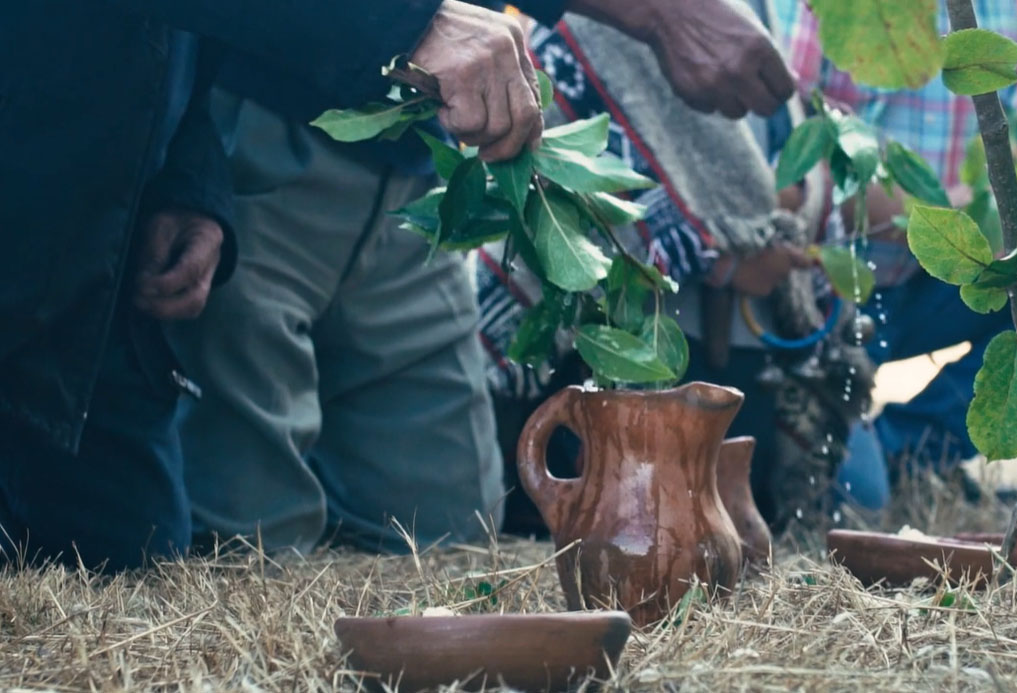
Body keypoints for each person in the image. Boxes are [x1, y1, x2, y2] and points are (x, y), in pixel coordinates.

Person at [0, 0, 793, 572]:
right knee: (242, 542)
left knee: (447, 534)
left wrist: (188, 179)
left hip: (408, 175)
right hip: (265, 131)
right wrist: (406, 20)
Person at [484, 1, 872, 539]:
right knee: (638, 496)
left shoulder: (765, 13)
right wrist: (721, 256)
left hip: (746, 339)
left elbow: (779, 154)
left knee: (774, 496)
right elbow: (574, 166)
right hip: (620, 330)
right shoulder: (606, 17)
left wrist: (771, 227)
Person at [771, 0, 1017, 510]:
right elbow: (789, 159)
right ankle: (863, 460)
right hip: (831, 293)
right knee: (846, 499)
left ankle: (909, 453)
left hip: (944, 280)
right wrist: (944, 220)